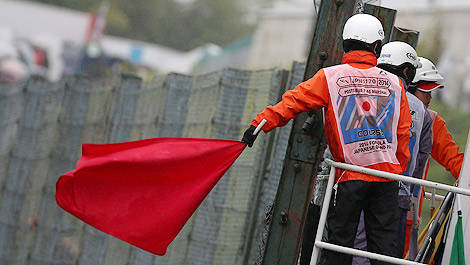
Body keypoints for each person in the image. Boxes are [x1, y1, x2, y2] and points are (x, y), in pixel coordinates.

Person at [242, 14, 412, 265]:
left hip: (348, 175)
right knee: (384, 252)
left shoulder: (329, 77)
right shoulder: (396, 84)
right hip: (387, 179)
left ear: (345, 44)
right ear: (377, 47)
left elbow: (293, 101)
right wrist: (397, 168)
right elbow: (402, 133)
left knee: (338, 248)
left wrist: (259, 123)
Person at [351, 41, 431, 265]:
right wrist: (412, 195)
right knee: (387, 251)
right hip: (399, 189)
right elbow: (420, 157)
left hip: (359, 179)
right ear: (408, 71)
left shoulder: (364, 93)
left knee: (357, 245)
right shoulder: (421, 109)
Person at [403, 57, 465, 256]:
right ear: (410, 88)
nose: (429, 98)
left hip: (405, 214)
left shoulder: (432, 121)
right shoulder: (388, 108)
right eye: (425, 92)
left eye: (431, 92)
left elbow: (455, 161)